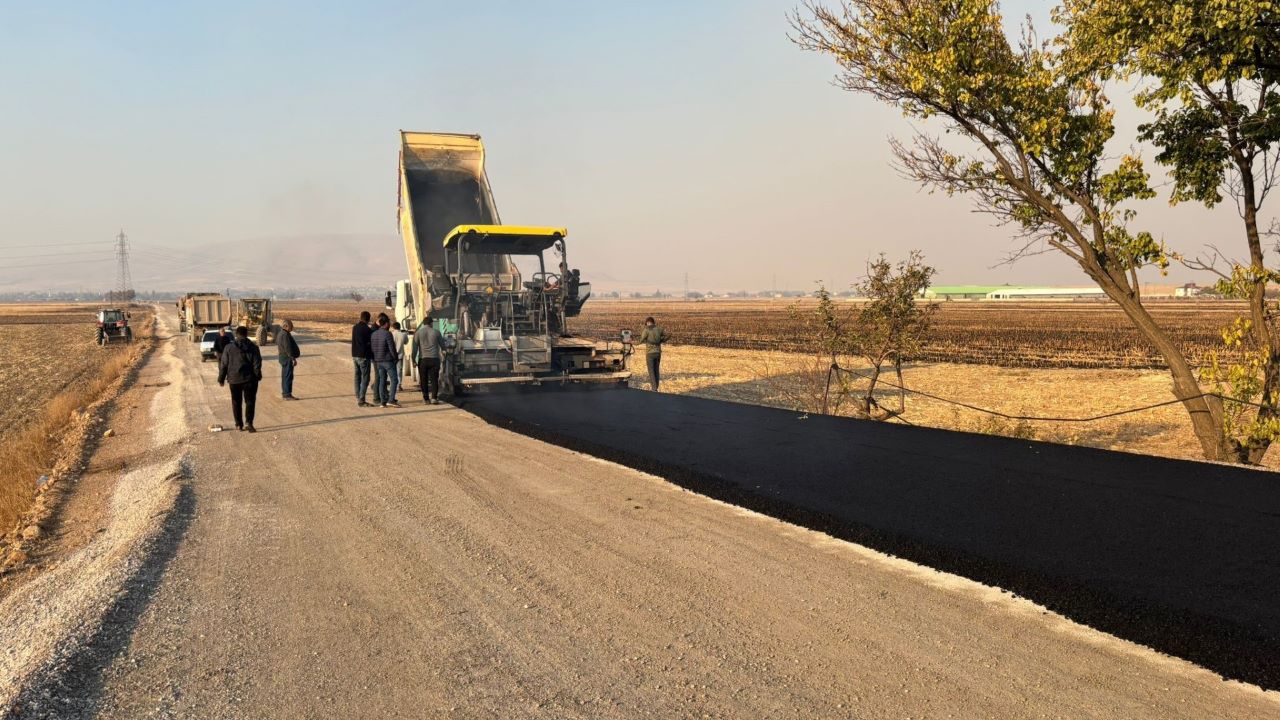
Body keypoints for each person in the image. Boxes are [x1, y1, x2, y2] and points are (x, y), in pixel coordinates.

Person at [218, 325, 263, 432]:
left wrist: (221, 378)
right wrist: (257, 376)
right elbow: (257, 363)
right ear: (246, 334)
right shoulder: (253, 347)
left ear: (236, 335)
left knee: (236, 402)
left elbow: (223, 364)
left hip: (234, 380)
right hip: (250, 380)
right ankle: (249, 423)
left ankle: (238, 424)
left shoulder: (228, 348)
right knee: (250, 401)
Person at [371, 317, 401, 408]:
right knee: (394, 380)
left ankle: (383, 401)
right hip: (388, 361)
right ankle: (391, 400)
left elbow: (372, 348)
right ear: (386, 324)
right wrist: (395, 358)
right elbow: (392, 348)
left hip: (378, 361)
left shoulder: (374, 334)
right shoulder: (387, 334)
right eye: (388, 323)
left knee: (382, 381)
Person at [414, 318, 443, 405]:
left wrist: (413, 359)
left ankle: (426, 399)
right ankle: (434, 398)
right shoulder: (436, 332)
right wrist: (445, 351)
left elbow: (414, 348)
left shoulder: (418, 333)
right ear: (431, 323)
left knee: (424, 380)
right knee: (434, 379)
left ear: (423, 323)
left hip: (423, 360)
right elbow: (443, 345)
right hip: (434, 359)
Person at [636, 316, 669, 391]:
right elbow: (668, 335)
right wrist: (661, 340)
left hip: (650, 353)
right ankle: (656, 387)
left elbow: (640, 340)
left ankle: (654, 389)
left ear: (648, 322)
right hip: (658, 353)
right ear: (653, 322)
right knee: (656, 370)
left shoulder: (646, 330)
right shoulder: (659, 329)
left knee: (651, 371)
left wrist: (631, 342)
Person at [351, 311, 374, 407]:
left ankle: (358, 396)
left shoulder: (355, 327)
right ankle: (361, 400)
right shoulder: (367, 330)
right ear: (368, 319)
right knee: (365, 378)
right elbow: (369, 343)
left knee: (357, 376)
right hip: (363, 356)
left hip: (355, 355)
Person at [276, 319, 300, 400]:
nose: (292, 328)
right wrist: (293, 358)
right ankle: (287, 395)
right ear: (286, 326)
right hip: (287, 358)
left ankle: (285, 394)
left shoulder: (281, 333)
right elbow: (287, 348)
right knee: (288, 376)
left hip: (284, 358)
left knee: (285, 376)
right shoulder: (285, 335)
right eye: (291, 326)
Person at [391, 321, 410, 386]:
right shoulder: (403, 334)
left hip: (391, 355)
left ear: (393, 327)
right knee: (399, 370)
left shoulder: (391, 334)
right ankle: (399, 384)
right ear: (399, 327)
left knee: (392, 370)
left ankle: (393, 383)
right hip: (400, 355)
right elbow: (406, 342)